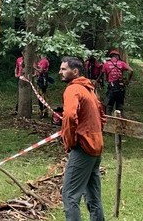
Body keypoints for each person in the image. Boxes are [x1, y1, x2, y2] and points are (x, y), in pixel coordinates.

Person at [59, 56, 106, 221]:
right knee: (93, 196)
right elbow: (102, 116)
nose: (60, 72)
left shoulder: (74, 89)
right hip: (96, 147)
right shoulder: (89, 89)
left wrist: (69, 141)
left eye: (64, 69)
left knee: (70, 194)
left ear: (75, 71)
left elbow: (70, 116)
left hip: (84, 148)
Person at [101, 49, 134, 115]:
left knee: (109, 106)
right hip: (120, 88)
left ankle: (108, 120)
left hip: (111, 88)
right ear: (117, 56)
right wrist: (127, 81)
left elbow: (104, 77)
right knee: (119, 107)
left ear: (110, 56)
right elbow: (131, 71)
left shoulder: (106, 64)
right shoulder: (122, 63)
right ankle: (119, 121)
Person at [34, 53, 51, 118]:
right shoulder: (40, 61)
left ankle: (44, 112)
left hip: (42, 81)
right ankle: (42, 111)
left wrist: (35, 67)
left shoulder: (44, 61)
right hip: (40, 80)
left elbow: (41, 71)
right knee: (40, 96)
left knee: (42, 96)